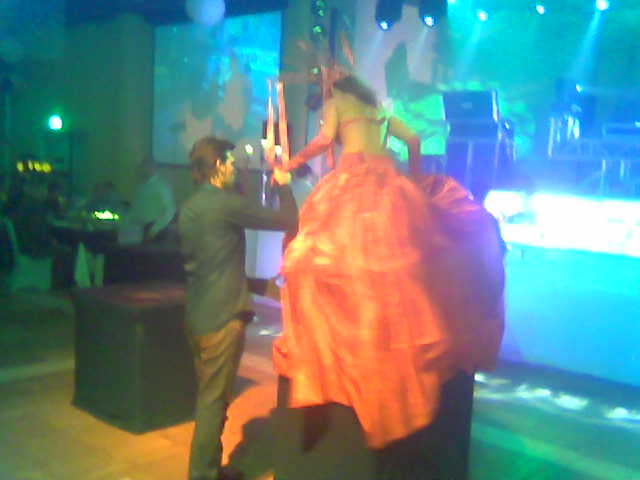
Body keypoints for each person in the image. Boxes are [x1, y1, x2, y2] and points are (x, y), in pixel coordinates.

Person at [272, 74, 504, 477]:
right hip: (392, 186)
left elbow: (324, 141)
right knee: (399, 268)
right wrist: (414, 179)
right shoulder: (379, 109)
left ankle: (338, 358)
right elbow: (413, 140)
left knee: (313, 259)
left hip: (350, 186)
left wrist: (289, 164)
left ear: (335, 90)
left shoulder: (336, 103)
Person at [178, 135, 297, 480]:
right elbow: (288, 220)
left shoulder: (190, 207)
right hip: (222, 319)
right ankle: (202, 475)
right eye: (230, 162)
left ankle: (210, 470)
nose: (234, 167)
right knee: (212, 404)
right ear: (217, 166)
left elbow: (216, 256)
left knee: (210, 399)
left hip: (197, 316)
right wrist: (284, 185)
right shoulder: (224, 204)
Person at [117, 156, 176, 245]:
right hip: (138, 229)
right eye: (143, 166)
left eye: (146, 166)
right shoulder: (140, 187)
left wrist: (155, 229)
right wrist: (123, 225)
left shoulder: (161, 187)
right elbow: (134, 210)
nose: (143, 169)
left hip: (154, 231)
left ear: (154, 167)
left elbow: (169, 211)